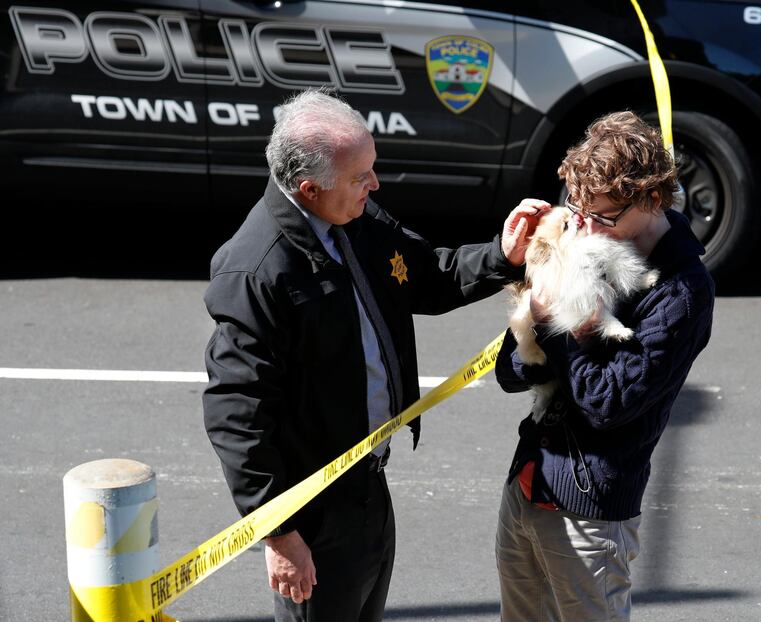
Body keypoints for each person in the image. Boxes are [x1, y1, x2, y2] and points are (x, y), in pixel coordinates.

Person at [202, 88, 542, 622]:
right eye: (362, 176)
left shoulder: (354, 216)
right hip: (312, 512)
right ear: (309, 189)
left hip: (368, 482)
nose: (375, 185)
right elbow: (237, 416)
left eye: (372, 169)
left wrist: (502, 256)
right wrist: (279, 535)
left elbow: (428, 275)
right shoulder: (257, 272)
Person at [494, 111, 715, 621]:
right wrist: (533, 314)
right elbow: (509, 371)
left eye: (605, 217)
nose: (586, 227)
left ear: (653, 199)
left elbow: (608, 403)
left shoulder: (681, 294)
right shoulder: (583, 236)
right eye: (578, 209)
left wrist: (574, 326)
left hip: (590, 511)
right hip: (529, 482)